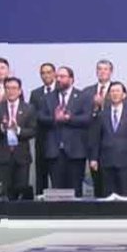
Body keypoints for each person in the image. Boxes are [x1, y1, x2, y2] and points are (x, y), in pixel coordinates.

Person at [38, 66, 92, 194]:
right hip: (54, 152)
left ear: (71, 79)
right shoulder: (47, 97)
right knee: (57, 191)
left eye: (62, 77)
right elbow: (40, 117)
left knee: (75, 190)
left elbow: (87, 118)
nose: (58, 79)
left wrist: (69, 118)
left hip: (75, 152)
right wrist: (55, 119)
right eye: (57, 77)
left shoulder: (83, 96)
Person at [89, 81, 127, 197]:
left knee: (124, 194)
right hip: (106, 160)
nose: (115, 94)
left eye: (118, 91)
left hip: (125, 161)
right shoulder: (102, 115)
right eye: (112, 91)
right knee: (107, 194)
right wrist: (93, 158)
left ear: (124, 95)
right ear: (108, 95)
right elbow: (96, 138)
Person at [0, 76, 35, 199]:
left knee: (21, 194)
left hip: (21, 157)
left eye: (14, 88)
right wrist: (2, 128)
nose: (11, 91)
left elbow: (33, 131)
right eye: (8, 88)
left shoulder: (28, 108)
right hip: (2, 156)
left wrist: (18, 130)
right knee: (2, 194)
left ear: (19, 91)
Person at [84, 59, 115, 197]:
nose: (102, 72)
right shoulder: (87, 91)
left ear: (111, 72)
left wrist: (103, 104)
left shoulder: (117, 89)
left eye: (105, 69)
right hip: (92, 141)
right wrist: (94, 108)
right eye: (100, 69)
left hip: (110, 142)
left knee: (110, 183)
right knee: (96, 182)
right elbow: (83, 115)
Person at [28, 63, 57, 194]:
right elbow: (33, 115)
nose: (46, 75)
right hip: (41, 140)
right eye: (43, 73)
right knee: (40, 175)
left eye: (49, 72)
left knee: (57, 177)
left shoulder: (60, 91)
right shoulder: (35, 94)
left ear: (54, 73)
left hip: (57, 140)